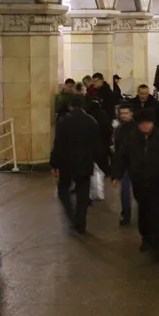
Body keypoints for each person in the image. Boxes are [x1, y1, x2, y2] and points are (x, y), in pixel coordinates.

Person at [112, 109, 159, 257]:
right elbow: (122, 156)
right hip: (139, 181)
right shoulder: (132, 138)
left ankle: (158, 244)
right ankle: (146, 238)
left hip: (157, 183)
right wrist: (116, 175)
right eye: (142, 124)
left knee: (157, 212)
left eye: (148, 123)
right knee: (143, 211)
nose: (145, 126)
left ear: (152, 123)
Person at [50, 94, 105, 235]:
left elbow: (58, 145)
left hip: (66, 164)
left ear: (70, 106)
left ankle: (71, 214)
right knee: (83, 194)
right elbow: (97, 147)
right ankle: (80, 223)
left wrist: (54, 164)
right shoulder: (92, 122)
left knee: (63, 190)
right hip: (85, 164)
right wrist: (104, 166)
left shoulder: (64, 122)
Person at [114, 104, 136, 226]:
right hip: (125, 165)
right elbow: (118, 152)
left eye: (126, 113)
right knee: (124, 190)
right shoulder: (119, 129)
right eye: (121, 113)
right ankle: (125, 214)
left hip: (136, 164)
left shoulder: (136, 128)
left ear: (131, 114)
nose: (123, 116)